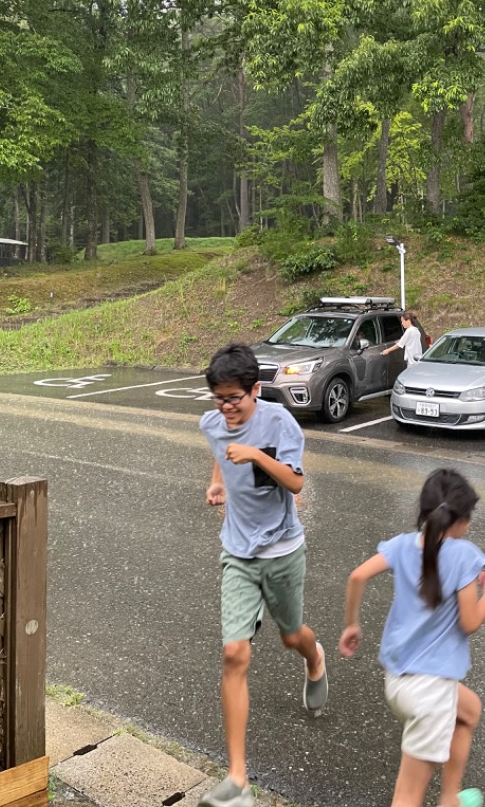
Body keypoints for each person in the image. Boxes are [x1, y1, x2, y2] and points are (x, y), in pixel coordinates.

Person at [199, 343, 328, 807]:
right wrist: (217, 478)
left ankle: (314, 659)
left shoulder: (279, 422)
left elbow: (295, 482)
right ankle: (238, 780)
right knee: (234, 654)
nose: (227, 408)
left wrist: (253, 454)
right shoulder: (214, 421)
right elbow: (220, 443)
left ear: (255, 389)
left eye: (235, 398)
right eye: (219, 399)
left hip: (283, 550)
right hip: (237, 552)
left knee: (291, 636)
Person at [338, 468, 485, 807]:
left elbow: (357, 576)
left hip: (399, 683)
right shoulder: (464, 555)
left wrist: (352, 625)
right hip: (430, 694)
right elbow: (470, 623)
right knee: (407, 797)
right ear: (461, 520)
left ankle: (449, 798)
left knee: (469, 710)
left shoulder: (401, 545)